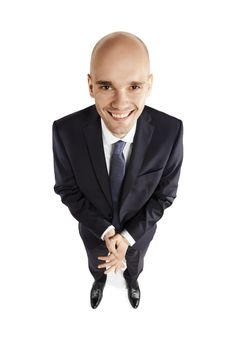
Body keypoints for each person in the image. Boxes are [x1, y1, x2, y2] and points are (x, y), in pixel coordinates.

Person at [52, 31, 183, 309]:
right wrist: (107, 232)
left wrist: (127, 237)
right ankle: (98, 280)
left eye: (134, 86)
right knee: (96, 263)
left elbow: (164, 196)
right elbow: (67, 189)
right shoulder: (65, 132)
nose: (120, 103)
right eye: (106, 86)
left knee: (134, 264)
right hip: (94, 230)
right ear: (90, 85)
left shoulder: (170, 132)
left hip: (140, 232)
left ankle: (132, 281)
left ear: (149, 85)